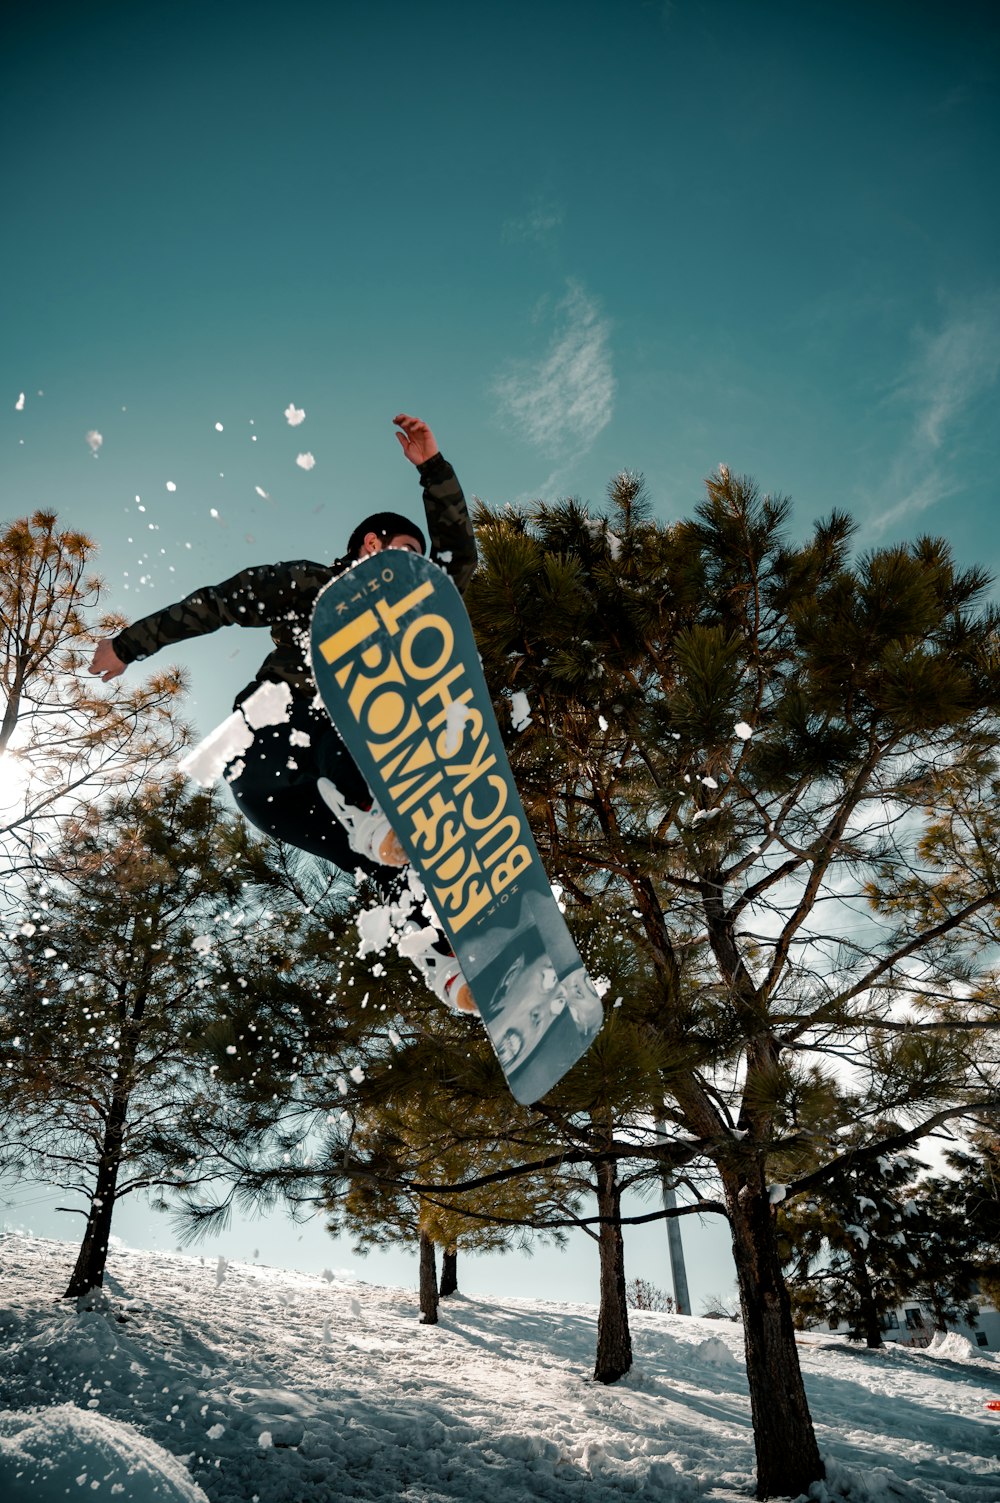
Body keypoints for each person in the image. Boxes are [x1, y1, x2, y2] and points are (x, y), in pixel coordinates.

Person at [89, 413, 477, 1010]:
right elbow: (215, 605)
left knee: (392, 872)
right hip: (266, 755)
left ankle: (446, 966)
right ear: (370, 547)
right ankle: (376, 816)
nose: (413, 574)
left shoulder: (418, 608)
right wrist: (130, 643)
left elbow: (457, 561)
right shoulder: (311, 585)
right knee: (345, 705)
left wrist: (433, 469)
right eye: (403, 555)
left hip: (299, 804)